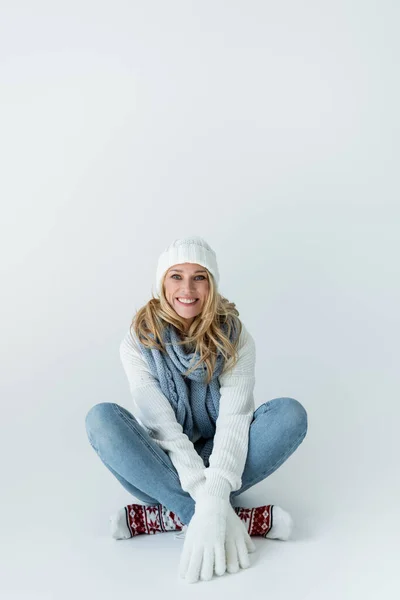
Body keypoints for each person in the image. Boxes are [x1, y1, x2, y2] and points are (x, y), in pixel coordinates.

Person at [85, 235, 308, 583]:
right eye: (176, 276)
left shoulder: (236, 336)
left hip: (224, 459)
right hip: (163, 466)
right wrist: (206, 502)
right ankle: (218, 517)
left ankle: (168, 516)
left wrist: (216, 487)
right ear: (162, 283)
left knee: (289, 415)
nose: (187, 288)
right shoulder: (137, 340)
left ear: (212, 284)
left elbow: (235, 420)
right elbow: (162, 428)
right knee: (101, 419)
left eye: (198, 276)